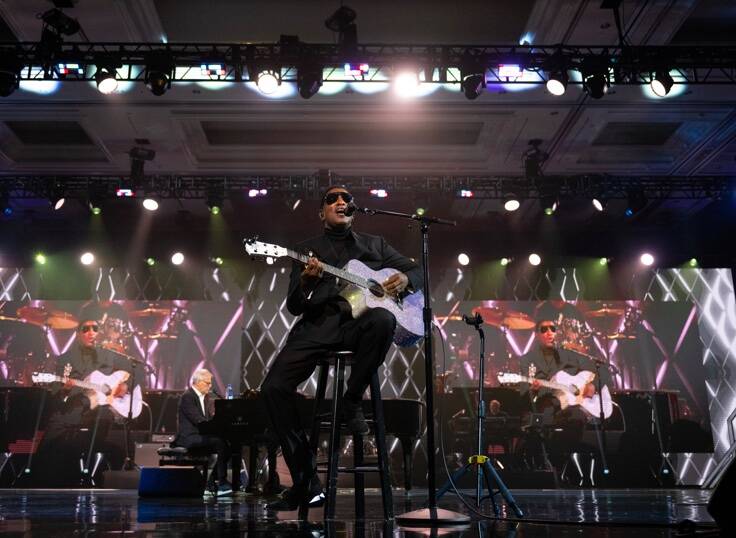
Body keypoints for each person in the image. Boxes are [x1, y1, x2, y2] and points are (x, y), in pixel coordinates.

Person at [261, 185, 422, 511]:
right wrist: (306, 282)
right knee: (273, 388)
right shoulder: (307, 250)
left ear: (353, 209)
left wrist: (404, 280)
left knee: (382, 320)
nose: (340, 202)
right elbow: (294, 306)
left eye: (346, 199)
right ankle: (306, 481)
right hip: (318, 327)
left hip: (359, 329)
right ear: (321, 212)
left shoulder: (375, 245)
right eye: (332, 199)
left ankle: (351, 398)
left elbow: (417, 269)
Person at [35, 306, 143, 485]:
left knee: (108, 426)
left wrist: (124, 385)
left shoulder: (110, 356)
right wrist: (66, 389)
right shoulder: (65, 359)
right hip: (75, 409)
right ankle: (45, 481)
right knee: (52, 435)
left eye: (95, 328)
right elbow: (56, 390)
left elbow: (138, 371)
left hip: (101, 413)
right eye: (85, 329)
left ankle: (99, 477)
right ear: (78, 333)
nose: (90, 333)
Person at [173, 369, 233, 497]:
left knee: (229, 445)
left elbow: (206, 421)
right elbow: (198, 420)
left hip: (200, 435)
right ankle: (221, 482)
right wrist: (214, 426)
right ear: (198, 382)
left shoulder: (205, 398)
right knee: (221, 443)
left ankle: (212, 481)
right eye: (208, 383)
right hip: (188, 437)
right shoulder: (187, 396)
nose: (210, 386)